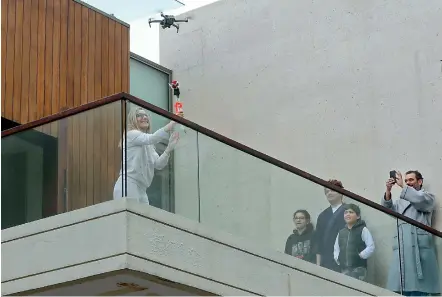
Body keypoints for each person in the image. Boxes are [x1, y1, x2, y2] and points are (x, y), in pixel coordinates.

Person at [382, 170, 440, 296]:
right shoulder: (401, 201)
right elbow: (388, 210)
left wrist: (403, 186)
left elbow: (420, 201)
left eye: (411, 180)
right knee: (401, 287)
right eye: (406, 180)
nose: (408, 183)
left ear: (420, 181)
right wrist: (388, 191)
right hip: (403, 247)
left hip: (419, 249)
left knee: (420, 288)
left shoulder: (427, 197)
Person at [113, 107, 183, 204]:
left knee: (142, 217)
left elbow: (158, 164)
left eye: (145, 115)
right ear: (133, 119)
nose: (144, 117)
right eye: (139, 115)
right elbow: (152, 138)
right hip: (128, 183)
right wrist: (171, 124)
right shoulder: (131, 134)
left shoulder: (148, 144)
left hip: (142, 188)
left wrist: (168, 149)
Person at [333, 204, 375, 281]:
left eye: (351, 212)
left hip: (359, 269)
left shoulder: (363, 229)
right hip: (344, 269)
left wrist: (361, 256)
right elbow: (336, 248)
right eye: (345, 212)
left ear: (358, 216)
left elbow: (371, 246)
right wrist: (338, 258)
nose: (347, 214)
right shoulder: (341, 232)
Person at [315, 179, 347, 272]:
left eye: (332, 190)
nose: (329, 193)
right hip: (326, 261)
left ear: (341, 193)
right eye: (327, 191)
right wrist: (318, 265)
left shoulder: (349, 211)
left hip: (344, 261)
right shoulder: (322, 215)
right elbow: (318, 241)